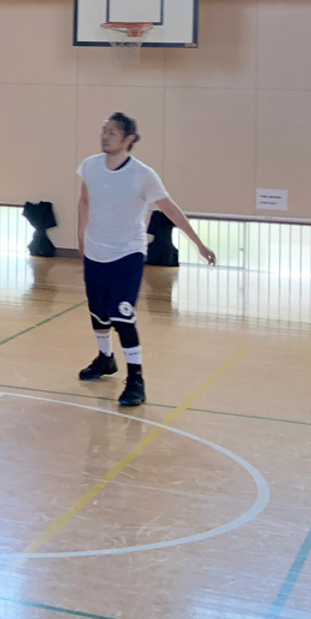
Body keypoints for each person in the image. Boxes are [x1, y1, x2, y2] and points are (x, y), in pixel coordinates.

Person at [77, 112, 216, 407]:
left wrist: (198, 243)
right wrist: (81, 234)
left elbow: (171, 209)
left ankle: (136, 379)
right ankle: (105, 359)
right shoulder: (90, 166)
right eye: (104, 130)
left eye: (112, 132)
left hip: (127, 253)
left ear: (128, 139)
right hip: (95, 251)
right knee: (98, 314)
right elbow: (85, 200)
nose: (105, 136)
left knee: (123, 317)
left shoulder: (143, 175)